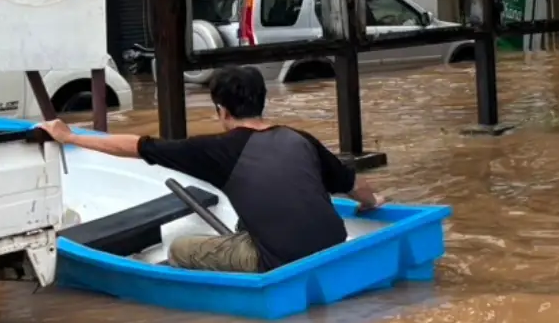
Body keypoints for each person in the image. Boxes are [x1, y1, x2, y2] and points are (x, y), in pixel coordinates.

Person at [42, 66, 383, 273]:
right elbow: (355, 184)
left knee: (179, 248)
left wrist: (69, 135)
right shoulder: (300, 138)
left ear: (221, 111)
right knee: (240, 222)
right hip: (335, 242)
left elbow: (136, 147)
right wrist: (369, 204)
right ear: (262, 100)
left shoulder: (216, 150)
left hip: (280, 263)